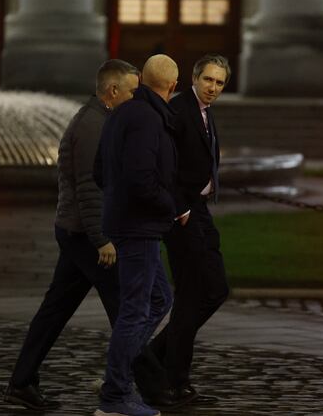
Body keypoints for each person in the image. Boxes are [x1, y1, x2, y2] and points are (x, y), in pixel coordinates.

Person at [3, 59, 140, 411]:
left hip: (78, 232)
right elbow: (89, 190)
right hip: (86, 236)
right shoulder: (93, 126)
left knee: (56, 310)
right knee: (125, 308)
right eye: (132, 92)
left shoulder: (99, 120)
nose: (135, 98)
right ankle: (143, 385)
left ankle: (21, 382)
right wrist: (102, 239)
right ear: (113, 91)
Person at [134, 54, 232, 410]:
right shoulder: (179, 111)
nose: (213, 88)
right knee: (192, 296)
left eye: (219, 83)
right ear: (194, 77)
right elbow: (162, 165)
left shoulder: (203, 112)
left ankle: (153, 358)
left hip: (198, 210)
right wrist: (181, 208)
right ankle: (175, 382)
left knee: (215, 290)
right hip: (183, 214)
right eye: (208, 80)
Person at [93, 54, 180, 416]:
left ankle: (118, 374)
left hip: (131, 222)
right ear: (173, 86)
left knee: (160, 298)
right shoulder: (147, 117)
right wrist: (171, 205)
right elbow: (141, 178)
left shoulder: (123, 113)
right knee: (135, 310)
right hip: (139, 226)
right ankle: (114, 395)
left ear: (142, 79)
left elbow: (100, 172)